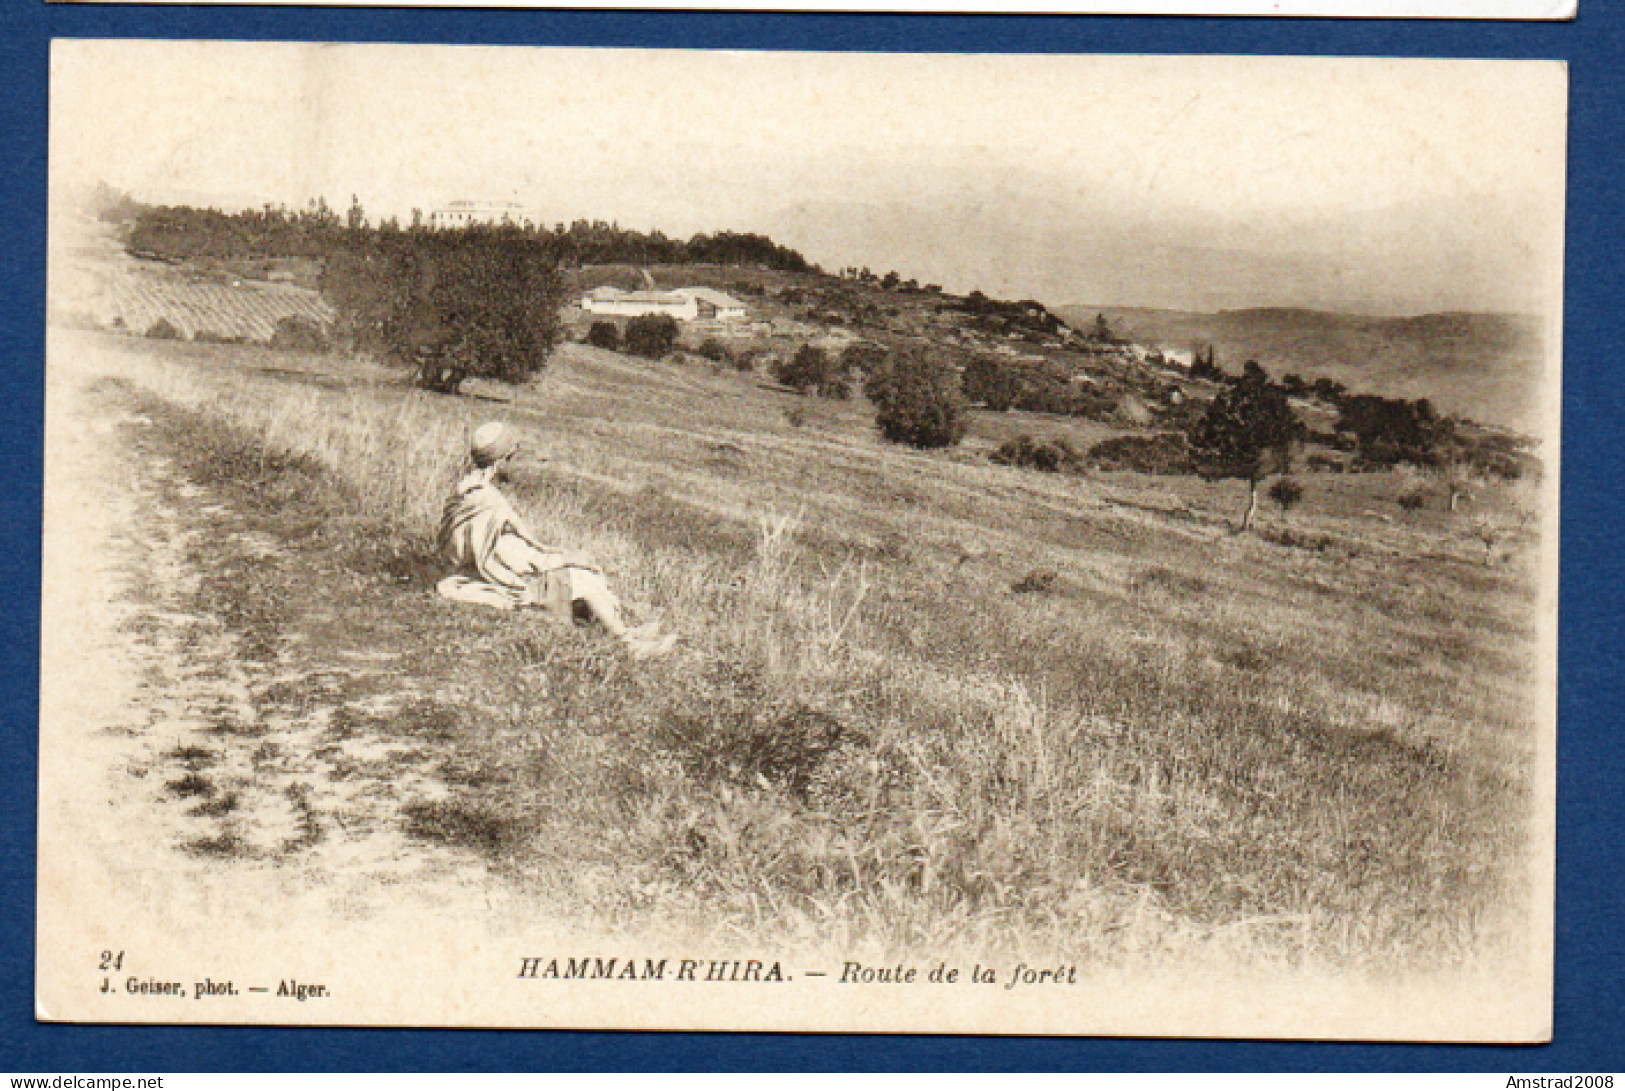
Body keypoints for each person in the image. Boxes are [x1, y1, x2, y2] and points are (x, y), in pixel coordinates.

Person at [437, 421, 675, 659]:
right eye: (514, 457)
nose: (518, 464)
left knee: (577, 568)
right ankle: (627, 645)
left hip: (489, 569)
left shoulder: (468, 490)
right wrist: (557, 561)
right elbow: (499, 557)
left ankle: (625, 631)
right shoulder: (488, 502)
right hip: (500, 577)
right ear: (502, 461)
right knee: (582, 575)